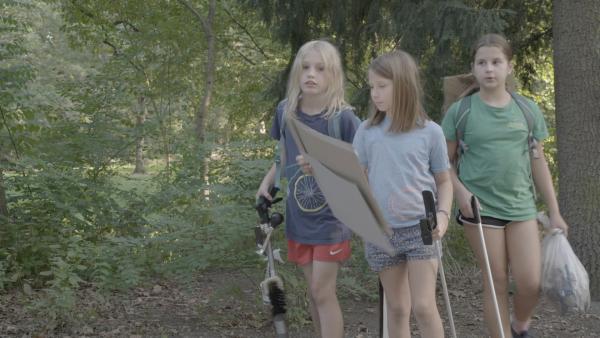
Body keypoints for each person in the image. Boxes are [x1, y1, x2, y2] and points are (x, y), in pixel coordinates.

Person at [441, 33, 569, 338]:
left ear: (509, 67)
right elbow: (443, 163)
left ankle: (520, 327)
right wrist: (460, 191)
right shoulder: (461, 112)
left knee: (530, 282)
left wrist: (554, 211)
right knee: (496, 280)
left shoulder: (526, 110)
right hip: (479, 208)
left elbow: (538, 161)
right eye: (482, 62)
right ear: (473, 68)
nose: (489, 69)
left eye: (496, 62)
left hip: (521, 207)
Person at [256, 39, 360, 338]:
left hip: (332, 219)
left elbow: (359, 167)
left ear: (333, 75)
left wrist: (323, 166)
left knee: (322, 290)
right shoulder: (286, 112)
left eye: (320, 68)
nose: (311, 74)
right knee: (314, 295)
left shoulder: (343, 118)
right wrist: (267, 183)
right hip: (298, 217)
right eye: (305, 68)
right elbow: (283, 155)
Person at [352, 50, 453, 338]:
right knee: (397, 308)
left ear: (404, 85)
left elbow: (444, 182)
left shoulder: (430, 132)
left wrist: (443, 217)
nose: (375, 93)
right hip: (382, 231)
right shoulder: (367, 132)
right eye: (372, 86)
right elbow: (356, 180)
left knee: (423, 306)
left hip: (422, 228)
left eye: (382, 86)